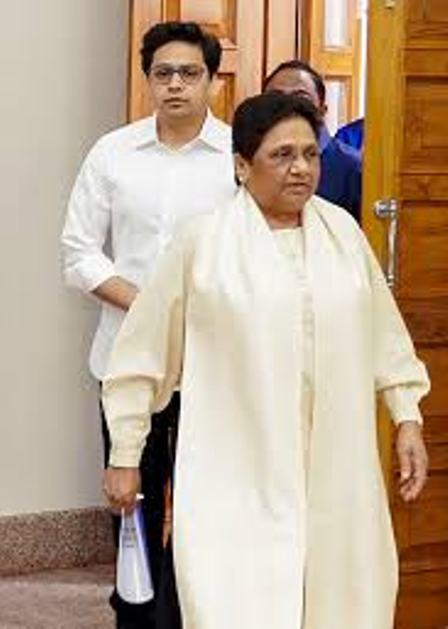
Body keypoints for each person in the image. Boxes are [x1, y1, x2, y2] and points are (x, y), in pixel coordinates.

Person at [102, 92, 430, 629]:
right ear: (241, 165)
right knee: (240, 600)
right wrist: (125, 453)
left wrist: (407, 416)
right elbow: (141, 357)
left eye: (310, 154)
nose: (301, 168)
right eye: (282, 155)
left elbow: (385, 336)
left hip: (335, 467)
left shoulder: (344, 234)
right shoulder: (202, 244)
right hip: (236, 469)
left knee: (343, 596)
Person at [61, 21, 236, 629]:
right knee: (129, 499)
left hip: (212, 362)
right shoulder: (113, 153)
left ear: (212, 80)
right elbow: (79, 252)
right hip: (125, 358)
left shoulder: (237, 158)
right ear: (148, 81)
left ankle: (191, 615)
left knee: (204, 507)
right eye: (163, 73)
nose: (175, 85)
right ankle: (135, 615)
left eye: (189, 73)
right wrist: (149, 307)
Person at [263, 60, 362, 222]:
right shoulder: (253, 161)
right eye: (275, 97)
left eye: (301, 98)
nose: (287, 106)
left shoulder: (353, 167)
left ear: (322, 110)